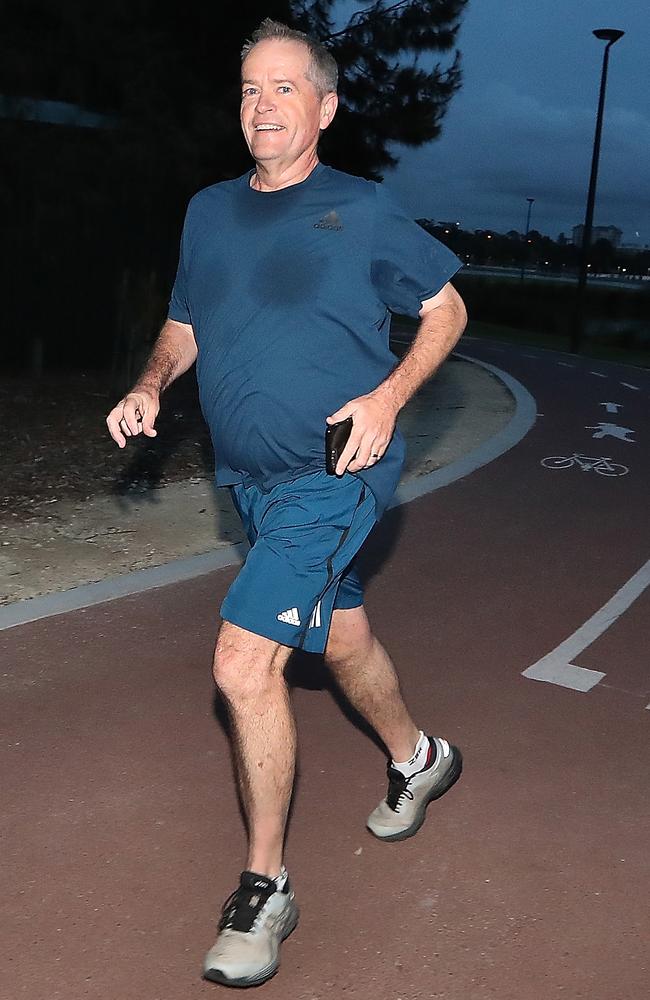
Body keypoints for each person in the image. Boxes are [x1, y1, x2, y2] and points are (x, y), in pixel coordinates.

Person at [107, 17, 467, 989]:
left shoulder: (361, 209)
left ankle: (263, 887)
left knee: (243, 659)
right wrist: (150, 382)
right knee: (335, 634)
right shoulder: (209, 210)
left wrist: (388, 397)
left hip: (336, 471)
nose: (260, 106)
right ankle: (417, 754)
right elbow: (184, 320)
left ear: (325, 106)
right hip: (248, 483)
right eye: (247, 90)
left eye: (281, 88)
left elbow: (445, 309)